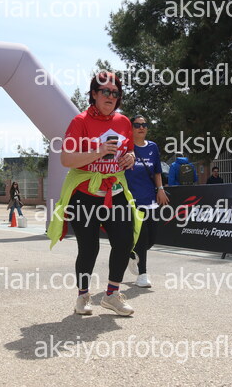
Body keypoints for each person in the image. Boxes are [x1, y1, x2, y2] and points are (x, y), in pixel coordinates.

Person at [47, 71, 140, 317]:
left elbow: (129, 150)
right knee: (89, 248)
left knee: (124, 241)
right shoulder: (80, 121)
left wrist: (131, 157)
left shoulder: (124, 122)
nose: (111, 96)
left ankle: (111, 295)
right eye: (105, 91)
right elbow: (66, 159)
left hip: (114, 191)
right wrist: (98, 151)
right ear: (94, 94)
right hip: (84, 194)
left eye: (115, 93)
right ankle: (83, 296)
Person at [124, 115, 169, 288]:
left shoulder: (152, 147)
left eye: (144, 125)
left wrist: (160, 189)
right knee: (142, 238)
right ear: (131, 128)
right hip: (132, 200)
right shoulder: (125, 148)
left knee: (151, 239)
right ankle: (142, 275)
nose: (141, 127)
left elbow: (157, 171)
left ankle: (131, 255)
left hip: (150, 198)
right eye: (137, 125)